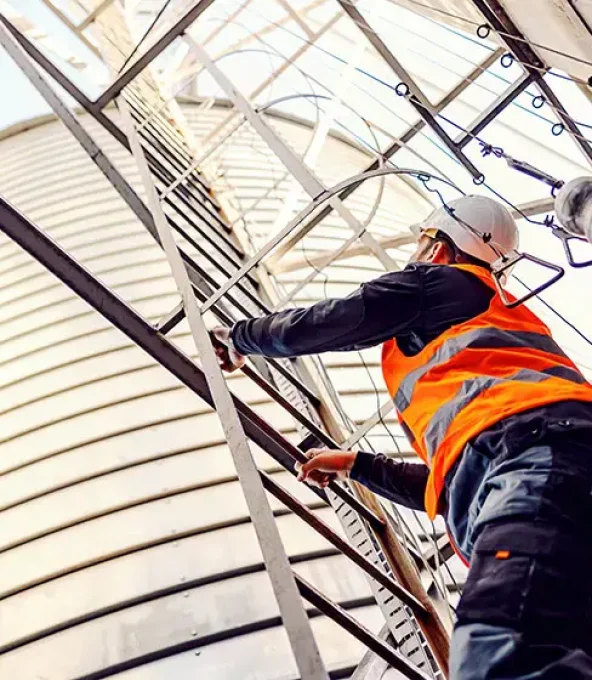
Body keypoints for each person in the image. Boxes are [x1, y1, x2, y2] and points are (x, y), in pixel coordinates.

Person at [213, 195, 592, 679]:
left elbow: (340, 319)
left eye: (421, 244)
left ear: (438, 249)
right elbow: (451, 485)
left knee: (504, 654)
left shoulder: (443, 283)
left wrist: (239, 338)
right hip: (552, 457)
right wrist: (357, 466)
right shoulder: (488, 329)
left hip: (537, 449)